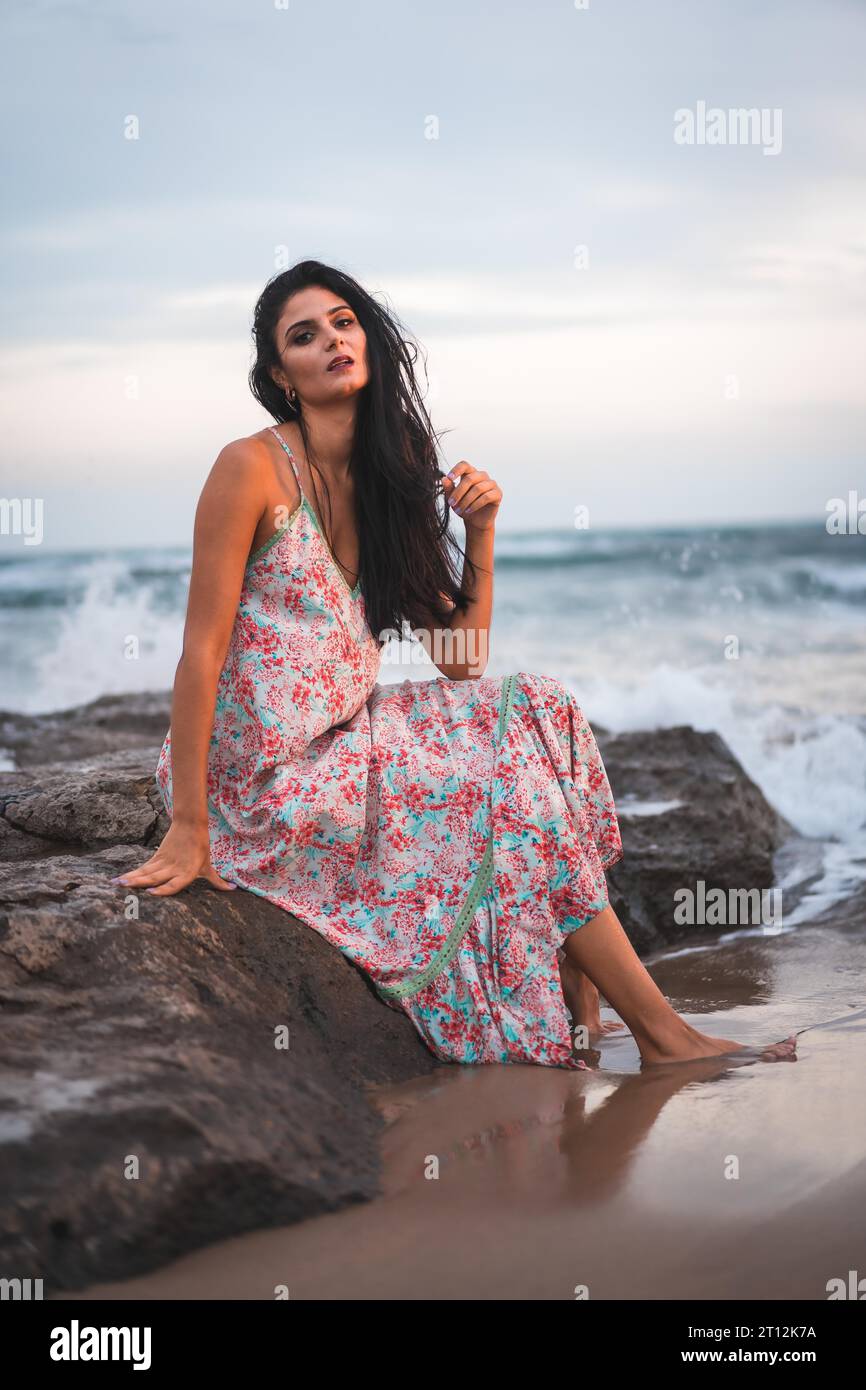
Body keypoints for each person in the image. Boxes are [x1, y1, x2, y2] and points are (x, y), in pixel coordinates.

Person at [116, 260, 796, 1070]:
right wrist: (191, 828)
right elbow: (202, 654)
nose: (332, 340)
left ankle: (585, 997)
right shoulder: (251, 467)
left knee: (538, 706)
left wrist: (482, 532)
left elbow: (462, 662)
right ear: (280, 376)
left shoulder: (388, 472)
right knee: (502, 768)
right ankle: (662, 1033)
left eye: (343, 321)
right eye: (305, 336)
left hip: (345, 745)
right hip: (262, 783)